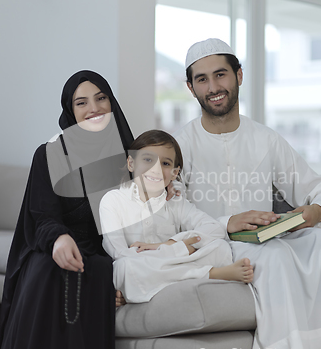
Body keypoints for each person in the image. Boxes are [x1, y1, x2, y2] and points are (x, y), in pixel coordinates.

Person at [173, 38, 321, 349]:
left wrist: (314, 211)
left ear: (239, 76)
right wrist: (226, 223)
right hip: (212, 244)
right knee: (273, 256)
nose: (213, 86)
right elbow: (170, 208)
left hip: (263, 238)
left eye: (220, 75)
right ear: (191, 88)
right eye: (202, 79)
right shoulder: (179, 144)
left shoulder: (265, 138)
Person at [0, 70, 134, 349]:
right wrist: (58, 239)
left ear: (111, 103)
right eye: (82, 103)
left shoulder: (130, 158)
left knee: (99, 270)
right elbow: (41, 216)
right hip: (54, 247)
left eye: (101, 98)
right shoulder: (49, 155)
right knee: (49, 267)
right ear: (71, 110)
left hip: (104, 255)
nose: (94, 108)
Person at [99, 130, 253, 303]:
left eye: (165, 163)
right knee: (123, 269)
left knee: (220, 247)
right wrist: (181, 249)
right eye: (148, 159)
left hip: (164, 266)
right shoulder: (112, 201)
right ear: (131, 163)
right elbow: (120, 254)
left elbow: (214, 228)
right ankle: (209, 274)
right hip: (141, 265)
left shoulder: (175, 202)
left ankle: (152, 286)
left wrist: (168, 245)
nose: (156, 169)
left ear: (174, 173)